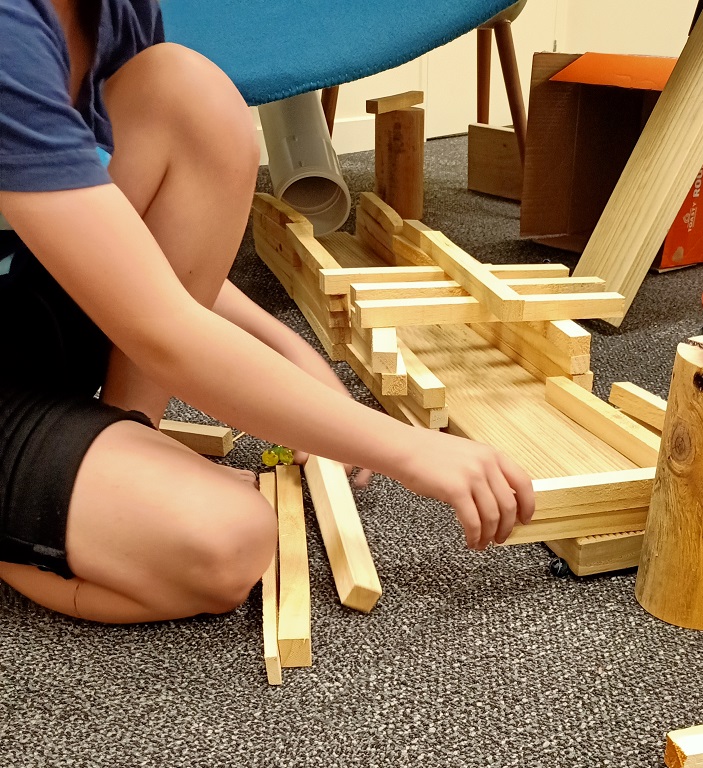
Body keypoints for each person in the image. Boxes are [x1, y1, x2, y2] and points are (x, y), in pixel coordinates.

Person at [0, 0, 534, 624]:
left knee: (188, 92)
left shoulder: (111, 10)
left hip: (20, 318)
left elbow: (117, 260)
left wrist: (292, 350)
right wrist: (409, 449)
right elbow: (164, 331)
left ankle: (126, 433)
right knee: (230, 543)